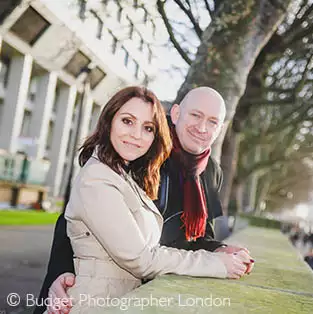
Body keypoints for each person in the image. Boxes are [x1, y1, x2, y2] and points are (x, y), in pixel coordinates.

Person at [35, 86, 254, 314]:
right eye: (195, 115)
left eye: (212, 121)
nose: (201, 128)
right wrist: (62, 273)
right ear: (176, 114)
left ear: (221, 128)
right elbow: (81, 219)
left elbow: (201, 235)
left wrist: (221, 250)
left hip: (158, 285)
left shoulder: (213, 172)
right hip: (112, 283)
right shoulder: (143, 153)